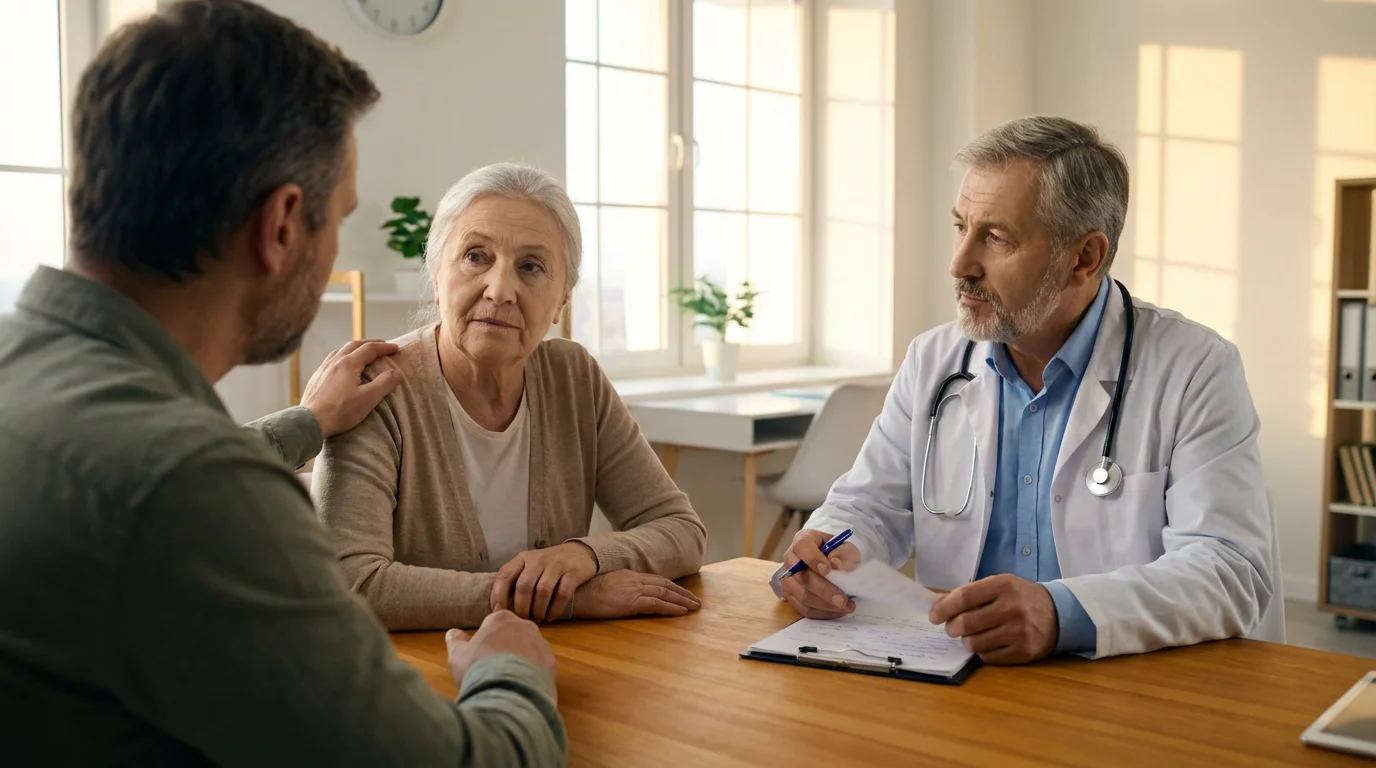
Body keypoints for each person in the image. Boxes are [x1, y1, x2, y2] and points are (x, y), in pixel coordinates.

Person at [0, 2, 566, 764]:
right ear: (280, 226)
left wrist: (305, 423)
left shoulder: (27, 375)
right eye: (338, 218)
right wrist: (513, 672)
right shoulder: (194, 491)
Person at [775, 115, 1282, 664]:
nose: (960, 264)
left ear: (1084, 258)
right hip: (956, 674)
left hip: (1126, 682)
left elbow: (1230, 569)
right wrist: (828, 550)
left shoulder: (1195, 368)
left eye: (995, 238)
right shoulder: (934, 360)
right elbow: (869, 503)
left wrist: (1060, 612)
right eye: (960, 227)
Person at [313, 162, 707, 631]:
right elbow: (352, 585)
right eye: (476, 256)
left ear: (562, 298)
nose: (500, 290)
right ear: (436, 276)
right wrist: (562, 600)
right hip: (407, 681)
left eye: (531, 267)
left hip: (550, 666)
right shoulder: (374, 389)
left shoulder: (574, 377)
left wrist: (587, 555)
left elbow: (682, 531)